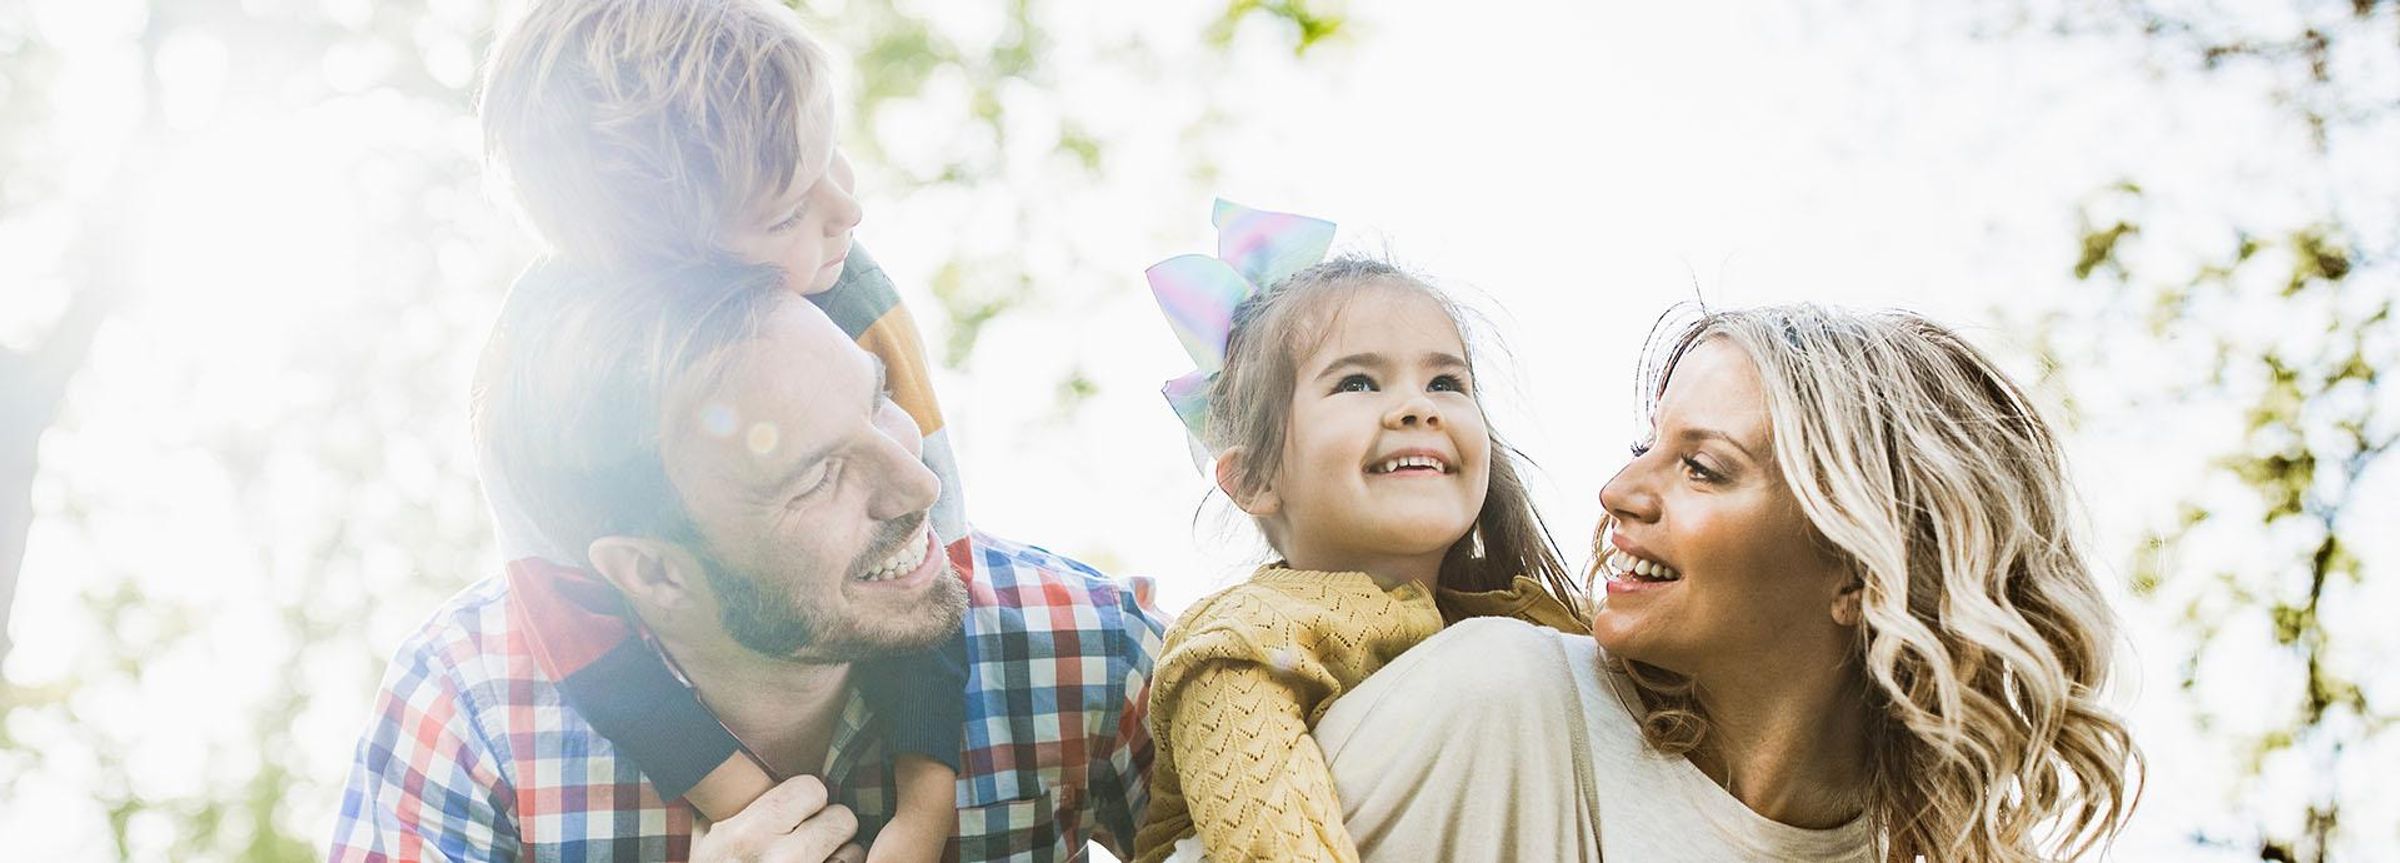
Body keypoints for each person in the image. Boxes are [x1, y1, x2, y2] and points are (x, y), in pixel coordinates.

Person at [328, 0, 1164, 858]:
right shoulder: (469, 708)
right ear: (671, 260)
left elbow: (933, 541)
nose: (846, 210)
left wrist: (924, 815)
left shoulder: (1087, 648)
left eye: (877, 401)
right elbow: (572, 635)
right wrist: (746, 805)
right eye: (814, 475)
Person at [1309, 304, 2142, 862]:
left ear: (1862, 571)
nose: (1621, 492)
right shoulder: (1498, 701)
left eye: (1702, 468)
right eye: (1648, 446)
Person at [1127, 201, 1586, 863]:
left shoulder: (1524, 622)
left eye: (1445, 381)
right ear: (1254, 478)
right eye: (1359, 381)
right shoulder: (1243, 639)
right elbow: (1268, 843)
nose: (1416, 406)